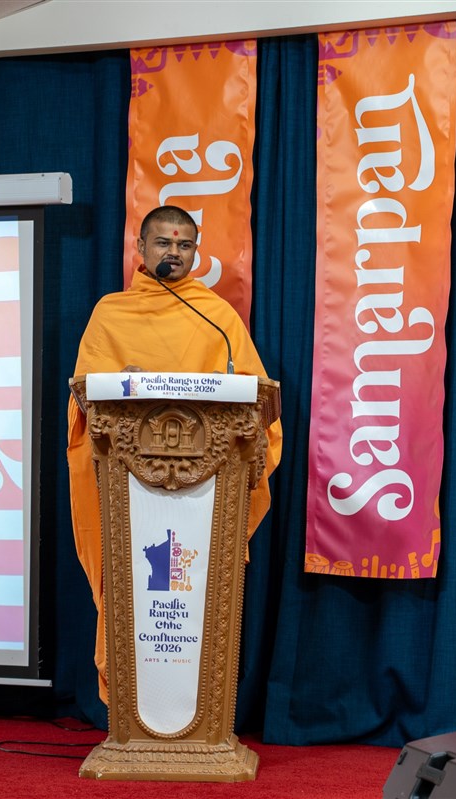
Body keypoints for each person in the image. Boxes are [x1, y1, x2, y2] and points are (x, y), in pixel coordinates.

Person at [67, 205, 283, 703]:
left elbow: (255, 403)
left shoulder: (216, 316)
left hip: (202, 491)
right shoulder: (111, 313)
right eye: (163, 243)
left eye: (185, 245)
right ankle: (132, 712)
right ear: (140, 249)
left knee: (189, 586)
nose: (174, 253)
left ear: (195, 252)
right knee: (136, 583)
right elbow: (84, 401)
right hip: (127, 486)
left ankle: (196, 713)